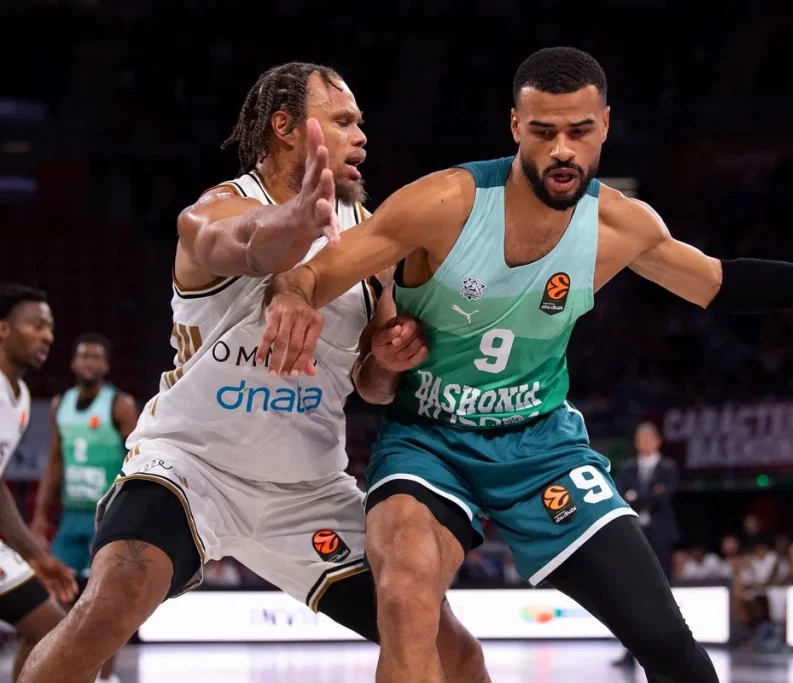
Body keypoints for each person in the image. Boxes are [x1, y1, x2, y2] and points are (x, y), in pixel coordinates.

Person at [258, 47, 793, 683]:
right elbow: (310, 273)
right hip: (428, 441)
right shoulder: (444, 202)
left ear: (606, 127)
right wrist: (289, 298)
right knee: (403, 597)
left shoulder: (622, 225)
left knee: (666, 642)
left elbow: (720, 284)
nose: (562, 148)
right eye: (543, 132)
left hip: (540, 447)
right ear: (516, 128)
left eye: (579, 131)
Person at [19, 63, 485, 683]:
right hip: (190, 469)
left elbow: (373, 386)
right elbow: (250, 244)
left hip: (307, 488)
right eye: (343, 121)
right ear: (286, 127)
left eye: (361, 124)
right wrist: (301, 218)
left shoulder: (368, 242)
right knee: (113, 601)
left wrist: (392, 358)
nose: (361, 136)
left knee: (452, 652)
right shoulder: (214, 211)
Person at [31, 334, 139, 683]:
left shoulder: (119, 405)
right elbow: (54, 463)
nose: (89, 362)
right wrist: (39, 517)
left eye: (96, 357)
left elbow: (140, 461)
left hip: (107, 517)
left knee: (104, 608)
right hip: (71, 517)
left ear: (106, 366)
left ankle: (104, 679)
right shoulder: (59, 404)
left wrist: (132, 516)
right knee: (58, 606)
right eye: (83, 357)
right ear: (74, 364)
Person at [0, 284, 78, 680]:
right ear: (3, 329)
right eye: (37, 325)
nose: (48, 335)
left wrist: (36, 555)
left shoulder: (22, 397)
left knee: (56, 630)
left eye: (50, 327)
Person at [612, 421, 678, 670]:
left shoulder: (668, 468)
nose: (645, 442)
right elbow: (620, 496)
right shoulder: (628, 468)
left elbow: (662, 497)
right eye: (641, 438)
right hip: (634, 536)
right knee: (631, 595)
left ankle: (668, 650)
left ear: (658, 441)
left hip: (660, 538)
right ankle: (632, 652)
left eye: (650, 437)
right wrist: (647, 496)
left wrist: (637, 497)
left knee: (662, 594)